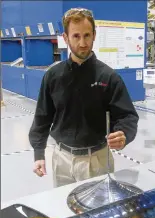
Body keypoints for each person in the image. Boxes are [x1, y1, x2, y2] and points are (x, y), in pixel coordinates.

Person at [29, 7, 139, 188]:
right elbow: (42, 116)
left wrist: (124, 133)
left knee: (98, 212)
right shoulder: (53, 76)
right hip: (61, 160)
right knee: (63, 210)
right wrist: (38, 153)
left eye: (87, 35)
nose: (82, 43)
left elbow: (127, 116)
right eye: (76, 36)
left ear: (94, 35)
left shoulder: (108, 77)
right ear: (65, 38)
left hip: (96, 160)